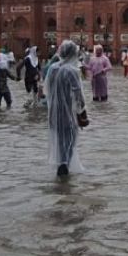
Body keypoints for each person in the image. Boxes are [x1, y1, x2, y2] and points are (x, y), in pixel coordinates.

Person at [45, 40, 89, 178]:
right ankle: (64, 167)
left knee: (59, 140)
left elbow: (46, 90)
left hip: (53, 113)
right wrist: (82, 114)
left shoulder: (53, 68)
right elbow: (78, 95)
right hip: (67, 113)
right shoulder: (71, 71)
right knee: (70, 140)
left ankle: (61, 165)